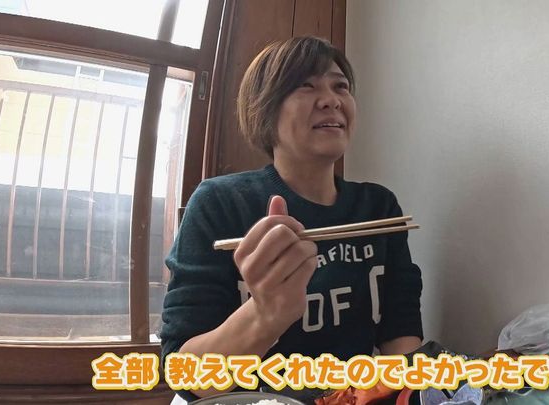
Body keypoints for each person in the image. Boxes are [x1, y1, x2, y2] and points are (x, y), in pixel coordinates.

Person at [160, 36, 423, 403]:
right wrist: (265, 314)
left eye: (340, 86)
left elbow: (400, 334)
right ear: (265, 110)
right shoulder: (221, 203)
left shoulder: (378, 207)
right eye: (306, 85)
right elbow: (186, 376)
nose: (331, 99)